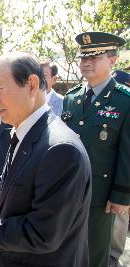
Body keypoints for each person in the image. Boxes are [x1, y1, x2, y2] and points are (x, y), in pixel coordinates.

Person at [0, 52, 92, 267]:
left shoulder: (61, 149)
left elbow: (42, 233)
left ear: (31, 84)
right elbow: (4, 189)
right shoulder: (23, 132)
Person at [62, 32, 130, 267]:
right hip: (66, 190)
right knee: (64, 248)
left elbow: (127, 153)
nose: (86, 63)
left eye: (95, 57)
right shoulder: (72, 98)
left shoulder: (125, 101)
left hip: (100, 196)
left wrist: (121, 195)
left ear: (113, 60)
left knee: (95, 254)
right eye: (83, 58)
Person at [109, 69, 130, 267]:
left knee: (118, 225)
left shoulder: (126, 103)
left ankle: (113, 258)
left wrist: (122, 193)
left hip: (121, 182)